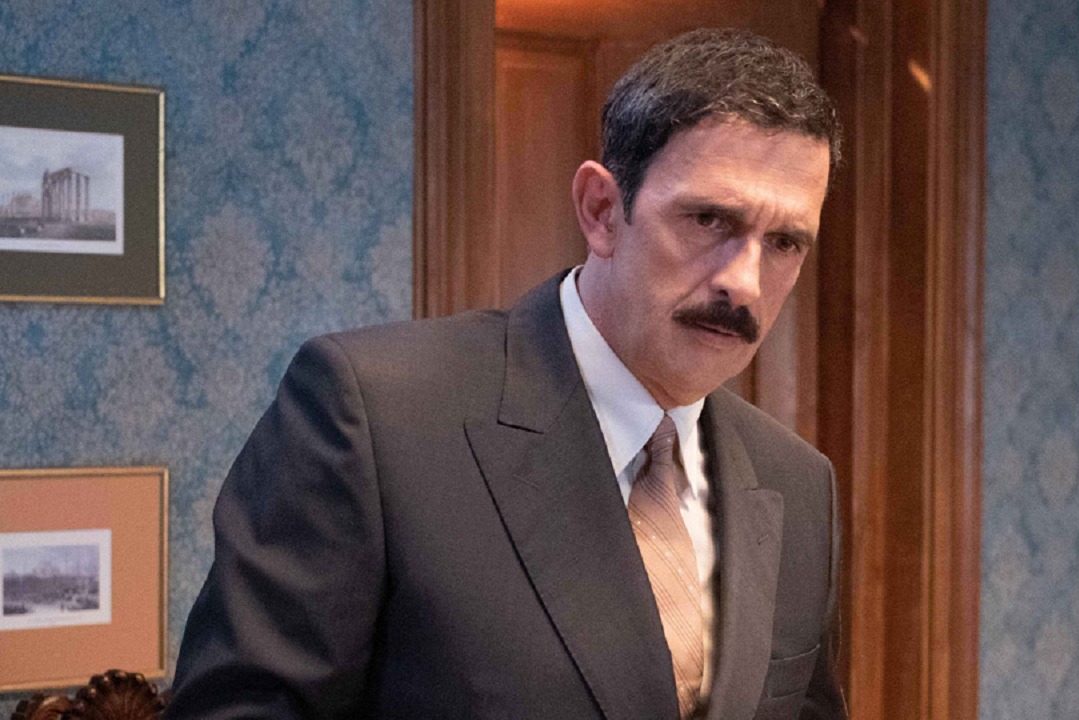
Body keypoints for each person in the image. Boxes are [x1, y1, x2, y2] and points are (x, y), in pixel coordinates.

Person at [166, 28, 845, 719]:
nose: (744, 283)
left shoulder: (797, 482)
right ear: (602, 211)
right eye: (708, 220)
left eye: (784, 242)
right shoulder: (375, 417)